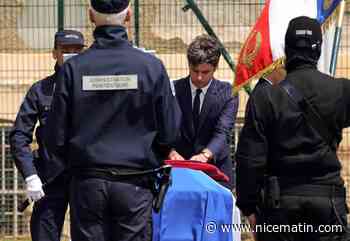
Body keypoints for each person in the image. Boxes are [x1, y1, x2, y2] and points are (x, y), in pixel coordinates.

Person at [45, 0, 181, 240]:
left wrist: (80, 162)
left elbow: (55, 137)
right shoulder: (151, 67)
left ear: (90, 16)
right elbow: (170, 131)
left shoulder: (73, 69)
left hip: (88, 184)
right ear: (128, 16)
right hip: (135, 185)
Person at [236, 16, 349, 241]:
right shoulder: (341, 91)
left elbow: (249, 159)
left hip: (280, 205)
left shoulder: (265, 97)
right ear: (318, 49)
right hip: (327, 203)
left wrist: (248, 207)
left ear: (286, 49)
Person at [9, 30, 85, 241]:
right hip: (50, 178)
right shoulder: (40, 90)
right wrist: (31, 176)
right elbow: (19, 135)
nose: (71, 55)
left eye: (77, 51)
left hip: (86, 178)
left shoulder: (94, 88)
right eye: (66, 50)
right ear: (54, 53)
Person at [168, 34, 239, 189]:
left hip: (215, 173)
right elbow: (165, 126)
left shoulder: (228, 93)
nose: (199, 77)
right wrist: (171, 152)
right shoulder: (173, 90)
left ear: (215, 67)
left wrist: (205, 155)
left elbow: (223, 131)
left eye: (205, 72)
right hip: (179, 172)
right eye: (195, 71)